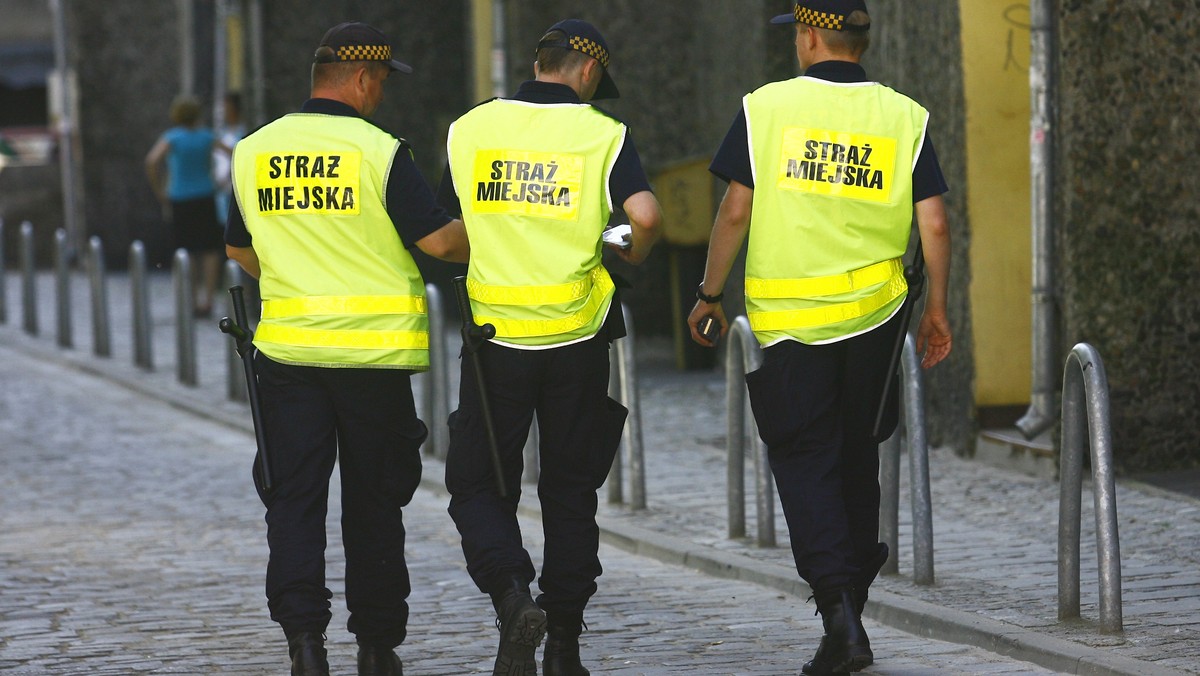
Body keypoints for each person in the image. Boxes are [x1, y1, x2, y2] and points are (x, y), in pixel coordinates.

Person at [687, 2, 952, 673]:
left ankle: (838, 610)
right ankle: (850, 614)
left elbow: (736, 207)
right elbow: (936, 226)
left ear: (808, 38)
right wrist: (938, 311)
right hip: (874, 320)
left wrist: (710, 292)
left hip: (791, 325)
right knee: (857, 455)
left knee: (806, 461)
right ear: (861, 41)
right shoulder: (904, 116)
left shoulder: (765, 108)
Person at [224, 22, 469, 676]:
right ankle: (377, 644)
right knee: (374, 503)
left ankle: (304, 641)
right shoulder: (379, 152)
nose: (382, 94)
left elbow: (239, 250)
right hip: (372, 363)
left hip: (286, 361)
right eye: (384, 82)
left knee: (294, 501)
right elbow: (441, 243)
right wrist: (492, 240)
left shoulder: (255, 151)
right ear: (363, 78)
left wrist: (294, 280)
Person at [437, 18, 662, 676]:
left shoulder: (470, 129)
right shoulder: (601, 135)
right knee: (569, 490)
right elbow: (644, 218)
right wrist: (616, 252)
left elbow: (455, 228)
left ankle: (512, 599)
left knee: (479, 485)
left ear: (539, 62)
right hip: (576, 337)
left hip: (494, 340)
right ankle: (564, 642)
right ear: (588, 71)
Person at [145, 94, 227, 317]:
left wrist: (160, 191)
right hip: (205, 195)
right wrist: (223, 181)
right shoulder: (207, 136)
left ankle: (191, 299)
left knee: (187, 250)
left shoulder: (172, 137)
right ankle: (208, 299)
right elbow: (233, 153)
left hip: (180, 198)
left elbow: (152, 161)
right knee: (209, 249)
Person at [214, 91, 246, 230]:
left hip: (236, 187)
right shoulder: (220, 133)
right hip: (219, 190)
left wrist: (228, 175)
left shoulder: (243, 131)